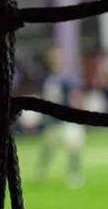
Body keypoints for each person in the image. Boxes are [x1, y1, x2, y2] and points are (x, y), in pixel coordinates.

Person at [35, 48, 84, 189]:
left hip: (67, 119)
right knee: (48, 148)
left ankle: (74, 174)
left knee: (73, 147)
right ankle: (41, 171)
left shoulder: (66, 78)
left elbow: (75, 96)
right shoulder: (45, 78)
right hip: (53, 120)